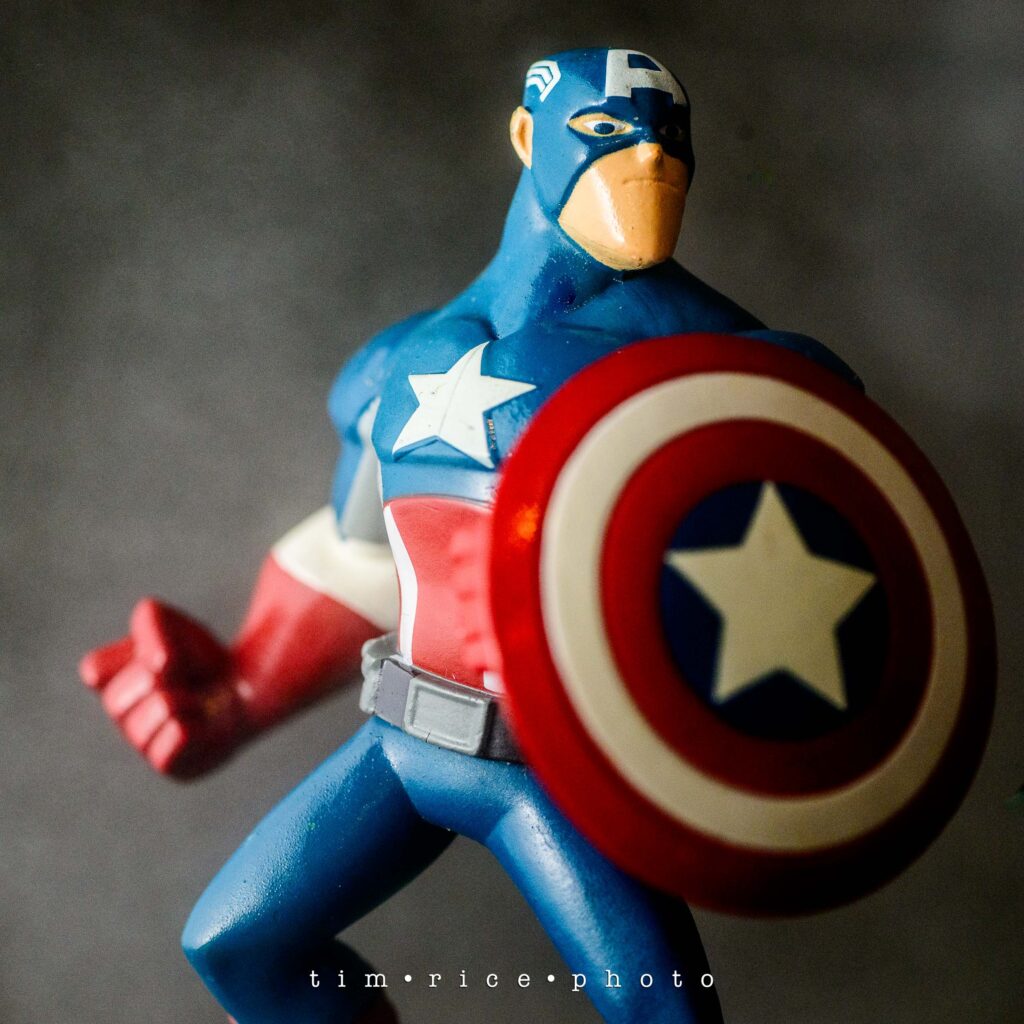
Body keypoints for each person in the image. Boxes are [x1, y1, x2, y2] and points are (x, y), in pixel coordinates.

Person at [81, 48, 857, 1024]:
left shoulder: (742, 373)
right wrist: (242, 688)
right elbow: (370, 555)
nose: (649, 160)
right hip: (405, 738)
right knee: (240, 947)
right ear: (529, 136)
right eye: (606, 132)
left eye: (670, 138)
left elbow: (798, 588)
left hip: (556, 766)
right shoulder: (402, 361)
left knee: (664, 1015)